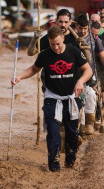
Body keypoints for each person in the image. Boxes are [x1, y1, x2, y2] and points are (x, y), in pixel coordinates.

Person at [11, 25, 92, 172]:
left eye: (58, 44)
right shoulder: (45, 54)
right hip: (52, 98)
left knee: (72, 133)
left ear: (63, 39)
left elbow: (88, 70)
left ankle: (70, 159)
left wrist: (81, 81)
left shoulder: (73, 51)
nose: (55, 47)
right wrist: (19, 77)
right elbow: (34, 69)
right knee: (53, 133)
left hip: (71, 98)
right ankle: (54, 165)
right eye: (52, 44)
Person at [74, 16, 104, 135]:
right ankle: (76, 126)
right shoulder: (71, 39)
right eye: (80, 29)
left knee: (91, 95)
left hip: (90, 73)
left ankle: (90, 123)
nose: (83, 31)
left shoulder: (94, 39)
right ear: (76, 27)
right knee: (75, 100)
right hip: (74, 74)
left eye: (85, 28)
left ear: (88, 28)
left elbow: (102, 56)